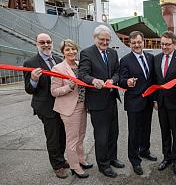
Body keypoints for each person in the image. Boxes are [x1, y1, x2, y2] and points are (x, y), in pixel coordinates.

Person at [78, 25, 124, 178]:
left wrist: (113, 80)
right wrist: (93, 80)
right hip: (97, 102)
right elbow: (82, 74)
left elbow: (117, 72)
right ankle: (103, 165)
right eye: (102, 39)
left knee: (113, 132)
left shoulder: (113, 53)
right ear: (95, 38)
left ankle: (112, 158)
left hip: (111, 98)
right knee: (102, 135)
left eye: (107, 40)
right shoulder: (87, 53)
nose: (105, 42)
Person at [23, 33, 68, 179]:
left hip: (61, 104)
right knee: (53, 137)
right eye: (42, 42)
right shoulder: (30, 63)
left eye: (48, 42)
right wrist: (34, 80)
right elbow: (29, 89)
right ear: (36, 44)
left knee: (62, 135)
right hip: (45, 106)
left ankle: (60, 158)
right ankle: (57, 166)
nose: (46, 45)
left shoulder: (59, 60)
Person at [51, 39, 92, 178]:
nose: (71, 52)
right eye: (67, 49)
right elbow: (54, 91)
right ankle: (74, 167)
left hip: (82, 105)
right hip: (70, 108)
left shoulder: (80, 65)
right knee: (72, 139)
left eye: (73, 49)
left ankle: (80, 159)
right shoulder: (58, 68)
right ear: (62, 52)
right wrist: (68, 86)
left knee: (81, 136)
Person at [119, 31, 157, 175]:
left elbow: (153, 79)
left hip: (148, 100)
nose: (137, 45)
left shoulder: (150, 57)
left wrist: (154, 99)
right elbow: (121, 81)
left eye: (139, 42)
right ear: (130, 44)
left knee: (146, 128)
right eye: (133, 43)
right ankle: (134, 160)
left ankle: (144, 150)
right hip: (134, 101)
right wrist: (127, 82)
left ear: (143, 42)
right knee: (134, 132)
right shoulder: (125, 60)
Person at [154, 31, 176, 176]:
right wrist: (155, 99)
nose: (164, 47)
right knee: (164, 132)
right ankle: (166, 157)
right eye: (162, 44)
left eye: (167, 44)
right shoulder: (156, 59)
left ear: (174, 44)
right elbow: (154, 81)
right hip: (161, 103)